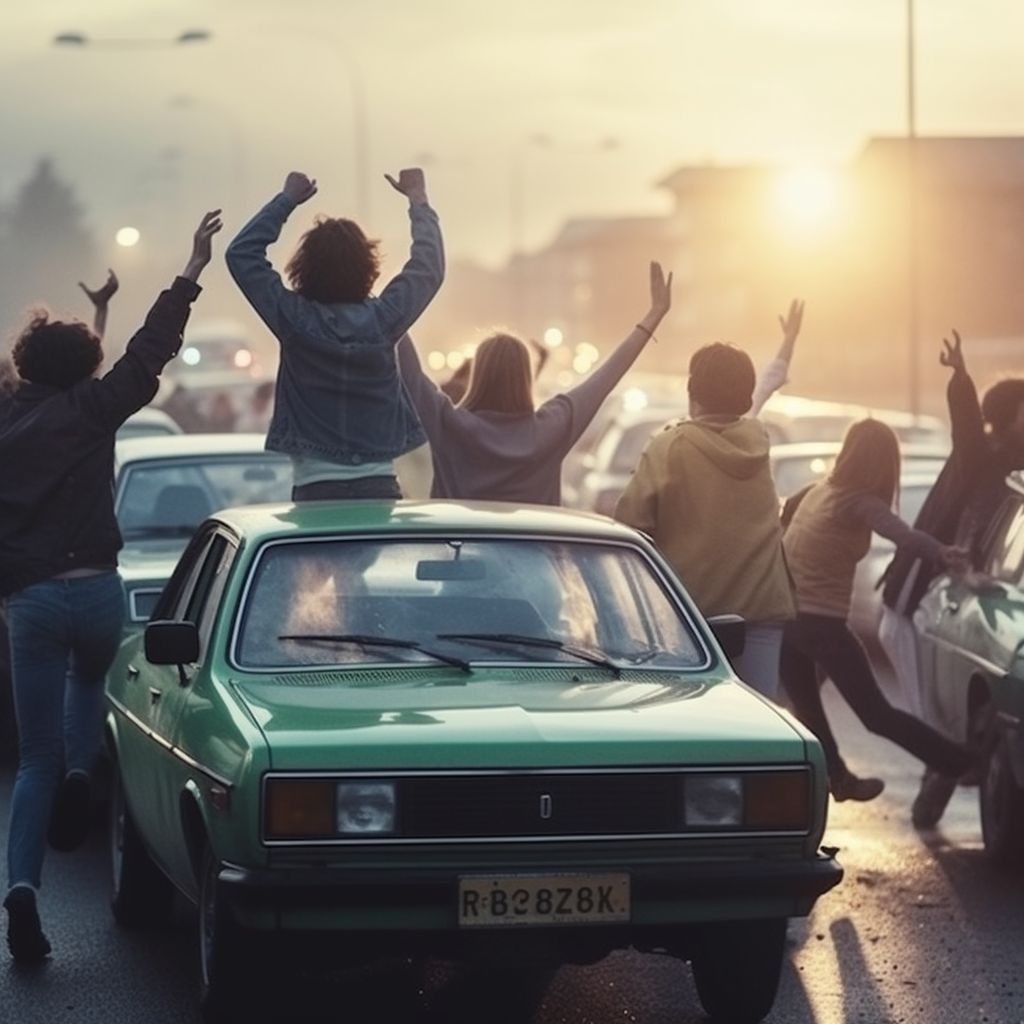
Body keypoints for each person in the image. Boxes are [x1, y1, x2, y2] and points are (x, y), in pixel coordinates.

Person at [0, 209, 223, 963]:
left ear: (23, 365)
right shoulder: (95, 413)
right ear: (82, 368)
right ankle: (82, 772)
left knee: (29, 759)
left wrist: (90, 309)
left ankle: (22, 893)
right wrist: (190, 266)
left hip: (29, 603)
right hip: (97, 594)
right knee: (92, 684)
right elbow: (144, 354)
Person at [613, 301, 805, 701]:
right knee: (758, 726)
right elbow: (769, 384)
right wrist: (788, 342)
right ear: (744, 394)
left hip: (691, 619)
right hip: (762, 611)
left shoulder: (667, 446)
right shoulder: (758, 439)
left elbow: (629, 527)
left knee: (701, 726)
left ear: (692, 391)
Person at [779, 418, 975, 805]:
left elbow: (785, 524)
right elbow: (900, 533)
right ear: (882, 463)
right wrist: (942, 552)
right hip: (821, 625)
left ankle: (838, 778)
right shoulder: (856, 499)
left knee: (807, 710)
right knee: (877, 714)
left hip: (787, 620)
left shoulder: (818, 491)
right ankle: (964, 763)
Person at [225, 168, 444, 501]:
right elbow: (428, 267)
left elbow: (241, 255)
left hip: (314, 486)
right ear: (368, 267)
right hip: (379, 485)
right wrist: (418, 200)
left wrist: (286, 201)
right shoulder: (385, 321)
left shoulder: (293, 320)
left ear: (304, 267)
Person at [879, 331, 1024, 826]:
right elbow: (966, 428)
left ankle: (932, 799)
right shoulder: (980, 455)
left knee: (946, 726)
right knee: (931, 721)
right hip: (921, 597)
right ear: (1005, 422)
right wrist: (961, 379)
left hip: (952, 591)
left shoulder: (1012, 467)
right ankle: (935, 795)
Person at [396, 262, 673, 505]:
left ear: (479, 374)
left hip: (460, 563)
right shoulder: (552, 427)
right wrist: (652, 318)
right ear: (526, 377)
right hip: (533, 563)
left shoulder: (451, 425)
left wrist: (377, 300)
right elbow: (607, 376)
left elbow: (409, 370)